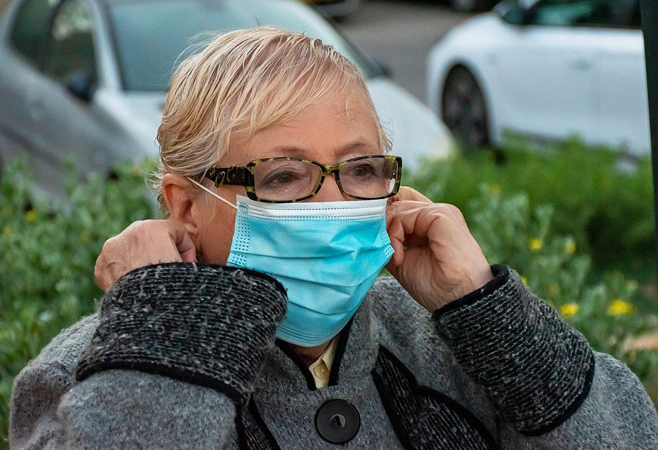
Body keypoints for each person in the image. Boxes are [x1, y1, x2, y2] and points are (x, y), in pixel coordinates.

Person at [9, 26, 658, 449]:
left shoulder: (446, 344)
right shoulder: (86, 378)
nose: (333, 204)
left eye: (362, 169)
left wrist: (490, 313)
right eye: (285, 175)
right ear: (183, 205)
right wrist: (165, 339)